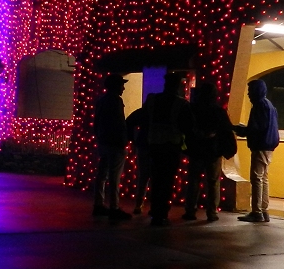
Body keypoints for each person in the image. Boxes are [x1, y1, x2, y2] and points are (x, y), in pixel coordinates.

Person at [143, 71, 195, 226]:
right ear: (178, 85)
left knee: (155, 178)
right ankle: (162, 213)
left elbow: (144, 118)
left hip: (153, 144)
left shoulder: (152, 100)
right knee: (167, 181)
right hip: (171, 146)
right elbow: (188, 126)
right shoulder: (181, 104)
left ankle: (154, 209)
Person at [184, 81, 237, 223]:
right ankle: (212, 212)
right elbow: (226, 130)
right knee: (213, 182)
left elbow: (186, 127)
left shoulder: (193, 109)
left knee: (194, 181)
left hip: (196, 149)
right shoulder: (218, 111)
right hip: (213, 151)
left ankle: (190, 210)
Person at [234, 78, 279, 223]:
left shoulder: (259, 106)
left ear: (256, 91)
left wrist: (239, 129)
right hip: (269, 146)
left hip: (260, 146)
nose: (248, 94)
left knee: (256, 178)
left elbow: (256, 128)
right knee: (264, 178)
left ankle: (256, 212)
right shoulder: (270, 106)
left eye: (249, 91)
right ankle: (264, 210)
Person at [92, 73, 132, 222]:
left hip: (103, 141)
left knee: (102, 175)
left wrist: (99, 136)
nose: (123, 88)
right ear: (116, 86)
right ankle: (114, 207)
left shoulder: (101, 100)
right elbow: (120, 123)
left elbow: (96, 122)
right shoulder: (116, 101)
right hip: (115, 144)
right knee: (115, 177)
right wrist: (124, 141)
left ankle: (98, 204)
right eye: (121, 85)